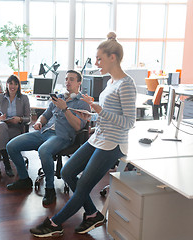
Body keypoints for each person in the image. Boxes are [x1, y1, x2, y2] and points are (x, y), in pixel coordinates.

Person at [30, 32, 137, 237]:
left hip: (113, 143)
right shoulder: (110, 82)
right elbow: (108, 115)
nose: (96, 62)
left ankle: (55, 223)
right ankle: (92, 214)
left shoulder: (126, 84)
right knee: (68, 172)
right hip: (99, 137)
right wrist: (90, 113)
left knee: (83, 186)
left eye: (99, 58)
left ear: (112, 57)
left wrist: (99, 111)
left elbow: (129, 123)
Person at [6, 70, 91, 206]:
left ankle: (50, 189)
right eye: (66, 79)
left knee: (44, 151)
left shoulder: (82, 103)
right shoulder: (59, 97)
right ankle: (24, 179)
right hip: (44, 132)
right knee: (11, 146)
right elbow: (45, 115)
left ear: (79, 83)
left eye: (72, 79)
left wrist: (65, 109)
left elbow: (77, 127)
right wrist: (39, 122)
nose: (67, 82)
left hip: (62, 136)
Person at [0, 75, 31, 183]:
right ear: (6, 84)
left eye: (15, 84)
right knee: (0, 126)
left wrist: (20, 119)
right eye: (10, 83)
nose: (13, 86)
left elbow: (28, 118)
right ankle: (6, 163)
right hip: (1, 126)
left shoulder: (24, 98)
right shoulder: (0, 98)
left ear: (18, 86)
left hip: (15, 128)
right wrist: (0, 118)